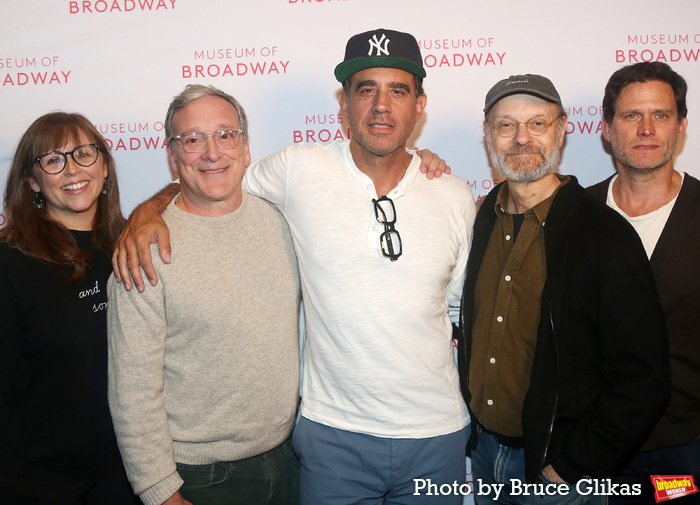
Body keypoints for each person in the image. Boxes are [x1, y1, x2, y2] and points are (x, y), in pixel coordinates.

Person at [113, 28, 476, 505]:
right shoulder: (296, 170)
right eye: (365, 89)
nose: (381, 105)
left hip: (437, 436)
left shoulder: (453, 193)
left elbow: (458, 312)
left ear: (419, 105)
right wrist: (145, 212)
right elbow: (211, 178)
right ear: (343, 106)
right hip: (331, 437)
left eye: (398, 90)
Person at [457, 74, 671, 504]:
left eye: (537, 123)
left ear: (562, 128)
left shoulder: (605, 235)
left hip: (557, 475)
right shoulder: (482, 218)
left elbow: (643, 380)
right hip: (482, 459)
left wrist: (571, 466)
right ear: (487, 136)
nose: (522, 138)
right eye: (506, 125)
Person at [106, 85, 301, 505]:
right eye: (192, 140)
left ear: (246, 148)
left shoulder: (281, 220)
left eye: (225, 135)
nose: (212, 152)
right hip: (198, 478)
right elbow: (132, 390)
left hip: (291, 460)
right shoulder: (144, 251)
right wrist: (161, 491)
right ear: (173, 157)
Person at [0, 112, 137, 505]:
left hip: (133, 474)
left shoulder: (134, 246)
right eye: (53, 160)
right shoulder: (10, 261)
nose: (72, 169)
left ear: (105, 165)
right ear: (32, 180)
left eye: (83, 153)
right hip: (43, 483)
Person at [588, 61, 699, 505]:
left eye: (661, 115)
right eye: (632, 116)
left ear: (682, 126)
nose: (647, 129)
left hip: (683, 453)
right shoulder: (574, 213)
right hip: (593, 452)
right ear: (607, 130)